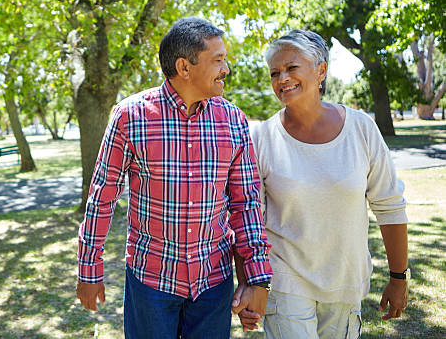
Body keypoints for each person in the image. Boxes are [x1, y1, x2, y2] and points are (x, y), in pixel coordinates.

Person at [76, 17, 272, 339]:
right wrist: (88, 269)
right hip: (150, 282)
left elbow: (246, 203)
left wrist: (256, 278)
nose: (226, 69)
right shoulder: (130, 115)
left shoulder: (233, 119)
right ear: (184, 67)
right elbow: (103, 195)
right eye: (218, 60)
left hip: (213, 282)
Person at [232, 29, 409, 338]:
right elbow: (247, 218)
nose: (282, 78)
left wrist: (398, 277)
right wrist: (249, 284)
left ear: (321, 70)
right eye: (275, 72)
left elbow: (389, 206)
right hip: (285, 280)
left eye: (291, 67)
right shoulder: (261, 138)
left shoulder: (362, 129)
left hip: (345, 281)